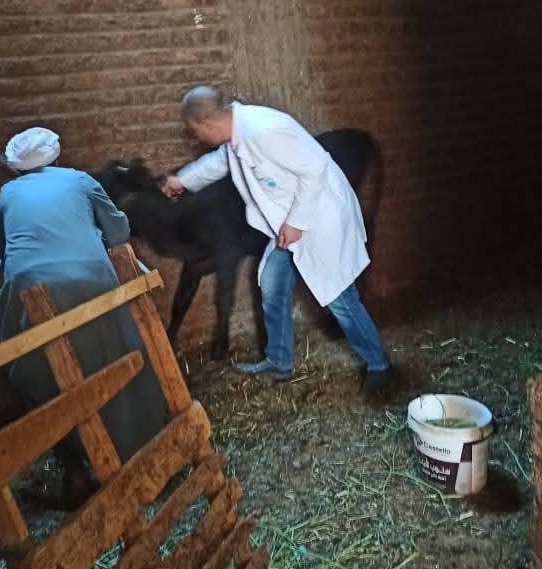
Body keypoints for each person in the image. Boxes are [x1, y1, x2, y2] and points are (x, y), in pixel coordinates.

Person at [161, 87, 393, 393]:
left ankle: (379, 364)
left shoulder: (265, 130)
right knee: (272, 282)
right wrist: (182, 180)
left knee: (340, 299)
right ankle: (279, 361)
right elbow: (220, 163)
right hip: (289, 223)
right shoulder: (236, 136)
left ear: (206, 124)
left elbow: (315, 168)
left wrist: (296, 222)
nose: (197, 137)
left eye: (195, 131)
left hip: (319, 217)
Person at [0, 126, 169, 507]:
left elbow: (3, 255)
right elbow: (118, 230)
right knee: (120, 356)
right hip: (91, 286)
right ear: (55, 156)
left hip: (29, 292)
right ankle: (146, 457)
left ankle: (75, 472)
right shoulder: (79, 181)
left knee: (45, 379)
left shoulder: (6, 195)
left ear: (16, 167)